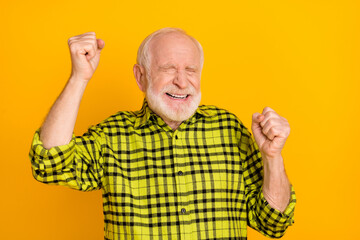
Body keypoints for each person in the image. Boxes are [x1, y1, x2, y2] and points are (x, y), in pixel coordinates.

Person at [29, 27, 296, 240]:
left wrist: (272, 156)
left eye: (190, 70)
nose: (182, 81)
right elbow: (48, 164)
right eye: (169, 69)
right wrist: (79, 78)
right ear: (140, 77)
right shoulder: (112, 136)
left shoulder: (228, 129)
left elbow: (273, 223)